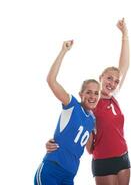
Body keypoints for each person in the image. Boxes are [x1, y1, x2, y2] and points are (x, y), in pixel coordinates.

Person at [46, 18, 131, 185]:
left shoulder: (113, 98)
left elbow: (125, 65)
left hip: (123, 158)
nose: (112, 83)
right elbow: (73, 123)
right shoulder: (91, 103)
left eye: (115, 81)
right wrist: (54, 142)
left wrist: (125, 34)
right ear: (100, 78)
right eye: (108, 79)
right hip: (103, 160)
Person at [34, 40, 100, 185]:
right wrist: (63, 51)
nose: (92, 96)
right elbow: (51, 81)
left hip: (69, 175)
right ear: (81, 94)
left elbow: (89, 148)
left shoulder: (92, 120)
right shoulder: (72, 105)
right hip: (52, 170)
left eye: (96, 93)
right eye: (88, 92)